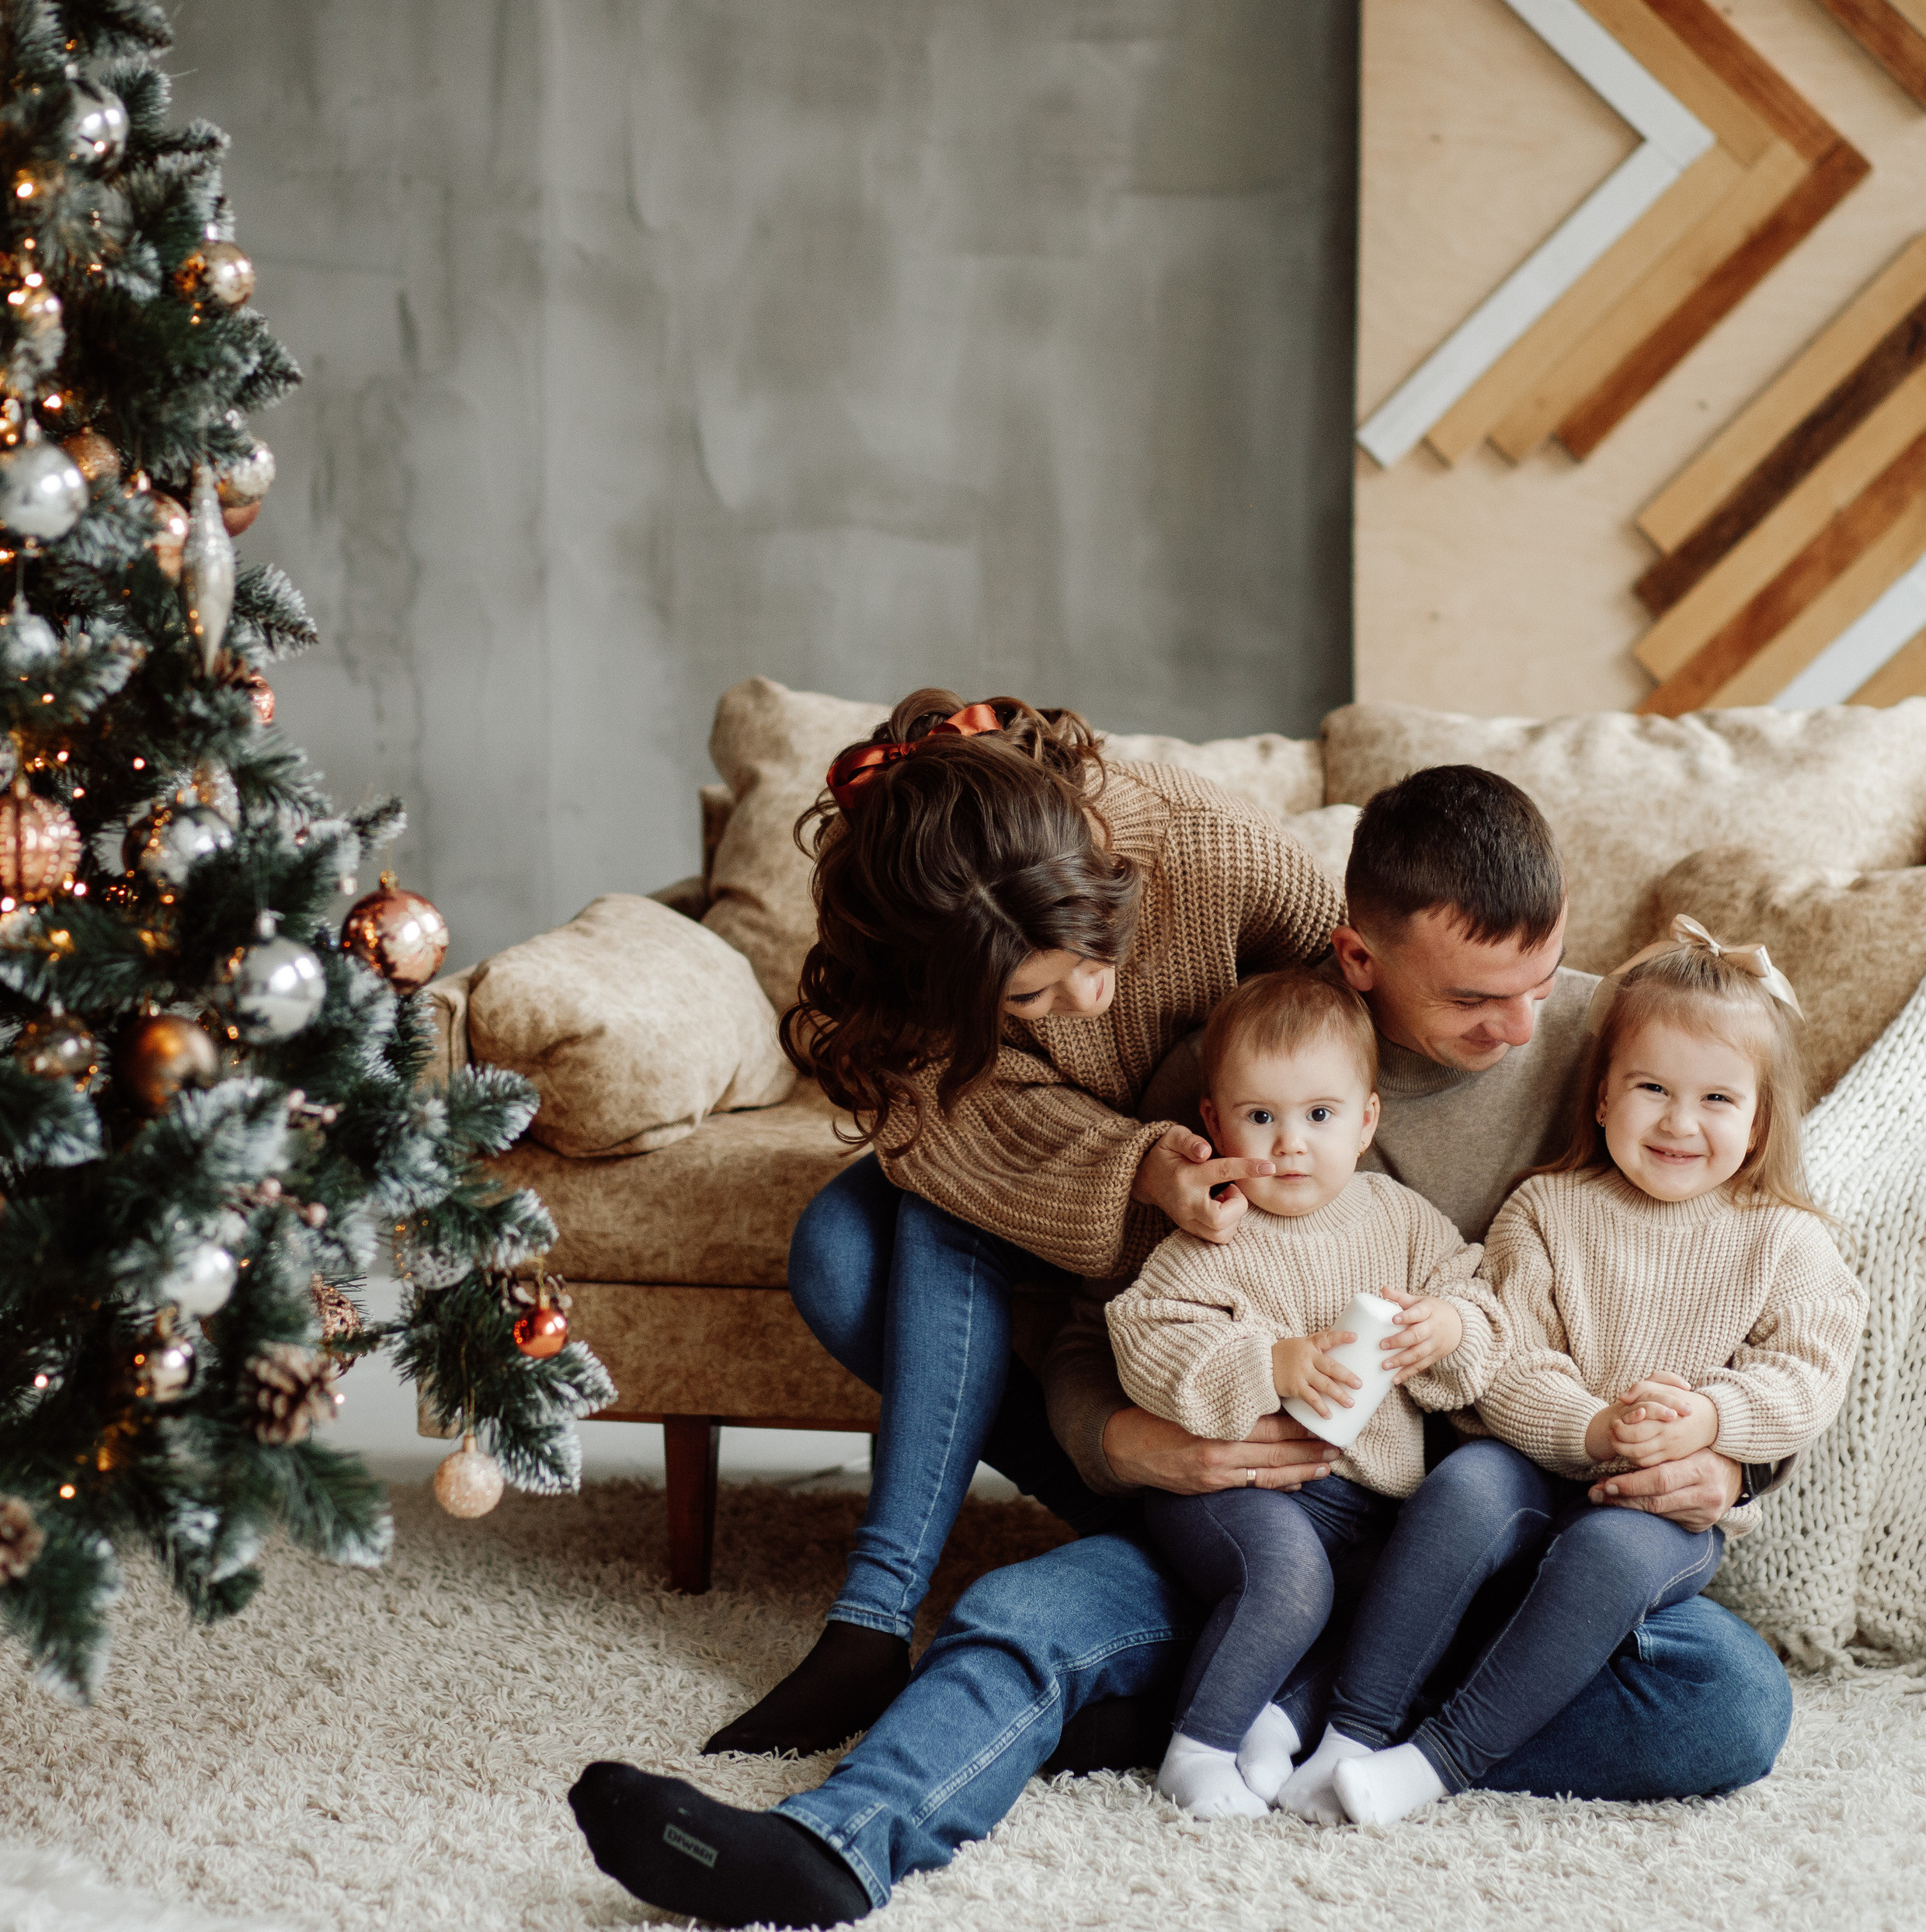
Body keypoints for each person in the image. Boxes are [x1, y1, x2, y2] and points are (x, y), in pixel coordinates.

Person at [569, 762, 1794, 1930]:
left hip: (1493, 1551)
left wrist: (1738, 1460)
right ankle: (835, 1844)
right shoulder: (1230, 1077)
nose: (1523, 1024)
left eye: (1541, 974)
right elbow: (1091, 1322)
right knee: (1019, 1618)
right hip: (1272, 1524)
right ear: (1359, 958)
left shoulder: (1618, 1053)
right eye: (1475, 1001)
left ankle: (1280, 1709)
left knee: (1729, 1705)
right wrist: (1129, 1443)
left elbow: (1767, 1263)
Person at [697, 689, 1344, 1759]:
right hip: (1074, 1183)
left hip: (1234, 1203)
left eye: (1097, 949)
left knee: (914, 1221)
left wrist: (1215, 1142)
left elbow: (1355, 1005)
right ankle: (890, 1612)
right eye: (1031, 1001)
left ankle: (886, 1614)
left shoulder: (1204, 842)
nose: (1089, 998)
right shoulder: (907, 940)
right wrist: (1136, 1165)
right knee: (841, 1252)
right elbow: (942, 1131)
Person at [1280, 919, 1865, 1828]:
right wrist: (1592, 1428)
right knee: (1464, 1485)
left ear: (1757, 1123)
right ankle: (1350, 1729)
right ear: (1600, 1098)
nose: (1678, 1121)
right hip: (1531, 1466)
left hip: (1652, 1514)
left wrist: (1709, 1419)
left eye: (1716, 1098)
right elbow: (1508, 1356)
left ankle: (1438, 1760)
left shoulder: (1785, 1240)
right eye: (1650, 1088)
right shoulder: (1548, 1209)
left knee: (1614, 1559)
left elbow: (1807, 1373)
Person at [1105, 969, 1510, 1817]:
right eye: (1261, 1117)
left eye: (1319, 1116)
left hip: (1372, 1503)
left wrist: (1447, 1328)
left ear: (1366, 1121)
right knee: (1288, 1582)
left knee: (1410, 1604)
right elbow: (1145, 1338)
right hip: (1243, 1492)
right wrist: (1269, 1365)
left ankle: (1277, 1718)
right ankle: (1198, 1747)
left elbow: (1477, 1298)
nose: (1291, 1144)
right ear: (1215, 1123)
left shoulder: (1400, 1219)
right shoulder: (1214, 1232)